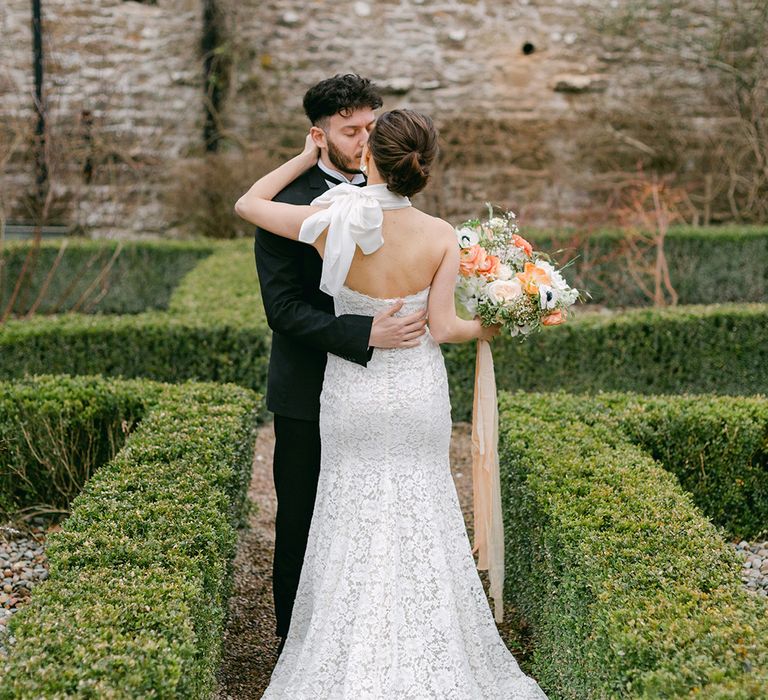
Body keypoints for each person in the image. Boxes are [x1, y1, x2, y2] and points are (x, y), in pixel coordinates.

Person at [236, 109, 548, 698]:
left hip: (352, 390)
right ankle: (432, 647)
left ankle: (344, 649)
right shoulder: (440, 235)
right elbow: (446, 326)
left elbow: (249, 205)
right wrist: (498, 323)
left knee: (345, 510)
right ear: (423, 168)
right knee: (423, 509)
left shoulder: (335, 218)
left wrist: (308, 155)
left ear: (371, 157)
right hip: (415, 393)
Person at [251, 75, 428, 656]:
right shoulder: (290, 203)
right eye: (350, 131)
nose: (365, 140)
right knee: (302, 517)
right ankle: (295, 647)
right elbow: (283, 311)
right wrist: (364, 331)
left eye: (371, 127)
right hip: (308, 387)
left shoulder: (392, 187)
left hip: (380, 386)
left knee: (373, 511)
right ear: (319, 135)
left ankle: (373, 635)